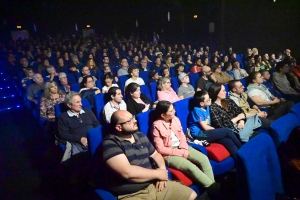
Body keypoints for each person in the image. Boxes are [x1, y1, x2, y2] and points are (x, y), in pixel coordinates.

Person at [94, 110, 198, 200]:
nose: (135, 121)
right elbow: (127, 172)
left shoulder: (139, 135)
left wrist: (162, 170)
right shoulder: (110, 143)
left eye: (133, 117)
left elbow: (156, 155)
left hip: (154, 185)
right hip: (132, 194)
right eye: (129, 120)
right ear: (119, 127)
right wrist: (157, 174)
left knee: (192, 195)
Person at [151, 101, 220, 198]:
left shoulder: (175, 119)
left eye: (173, 109)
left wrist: (183, 147)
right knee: (190, 167)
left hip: (182, 146)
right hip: (169, 154)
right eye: (171, 111)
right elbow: (160, 149)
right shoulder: (156, 126)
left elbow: (182, 136)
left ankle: (212, 189)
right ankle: (215, 189)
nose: (174, 111)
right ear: (163, 115)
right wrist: (180, 152)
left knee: (204, 159)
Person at [189, 91, 242, 161]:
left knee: (227, 140)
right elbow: (205, 127)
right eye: (208, 100)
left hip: (207, 131)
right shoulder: (197, 111)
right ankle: (243, 150)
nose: (210, 100)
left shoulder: (207, 106)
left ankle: (240, 160)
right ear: (201, 103)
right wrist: (217, 130)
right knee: (226, 131)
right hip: (199, 134)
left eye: (210, 98)